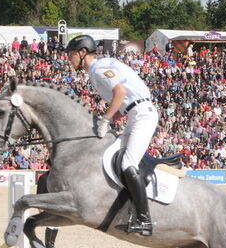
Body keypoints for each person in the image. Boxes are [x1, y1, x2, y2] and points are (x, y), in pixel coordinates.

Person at [66, 34, 158, 236]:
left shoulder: (98, 68)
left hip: (143, 114)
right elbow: (123, 103)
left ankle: (144, 219)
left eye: (71, 54)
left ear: (83, 53)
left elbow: (120, 92)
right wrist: (108, 120)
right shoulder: (96, 70)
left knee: (128, 164)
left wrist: (106, 119)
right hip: (133, 114)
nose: (69, 59)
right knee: (112, 156)